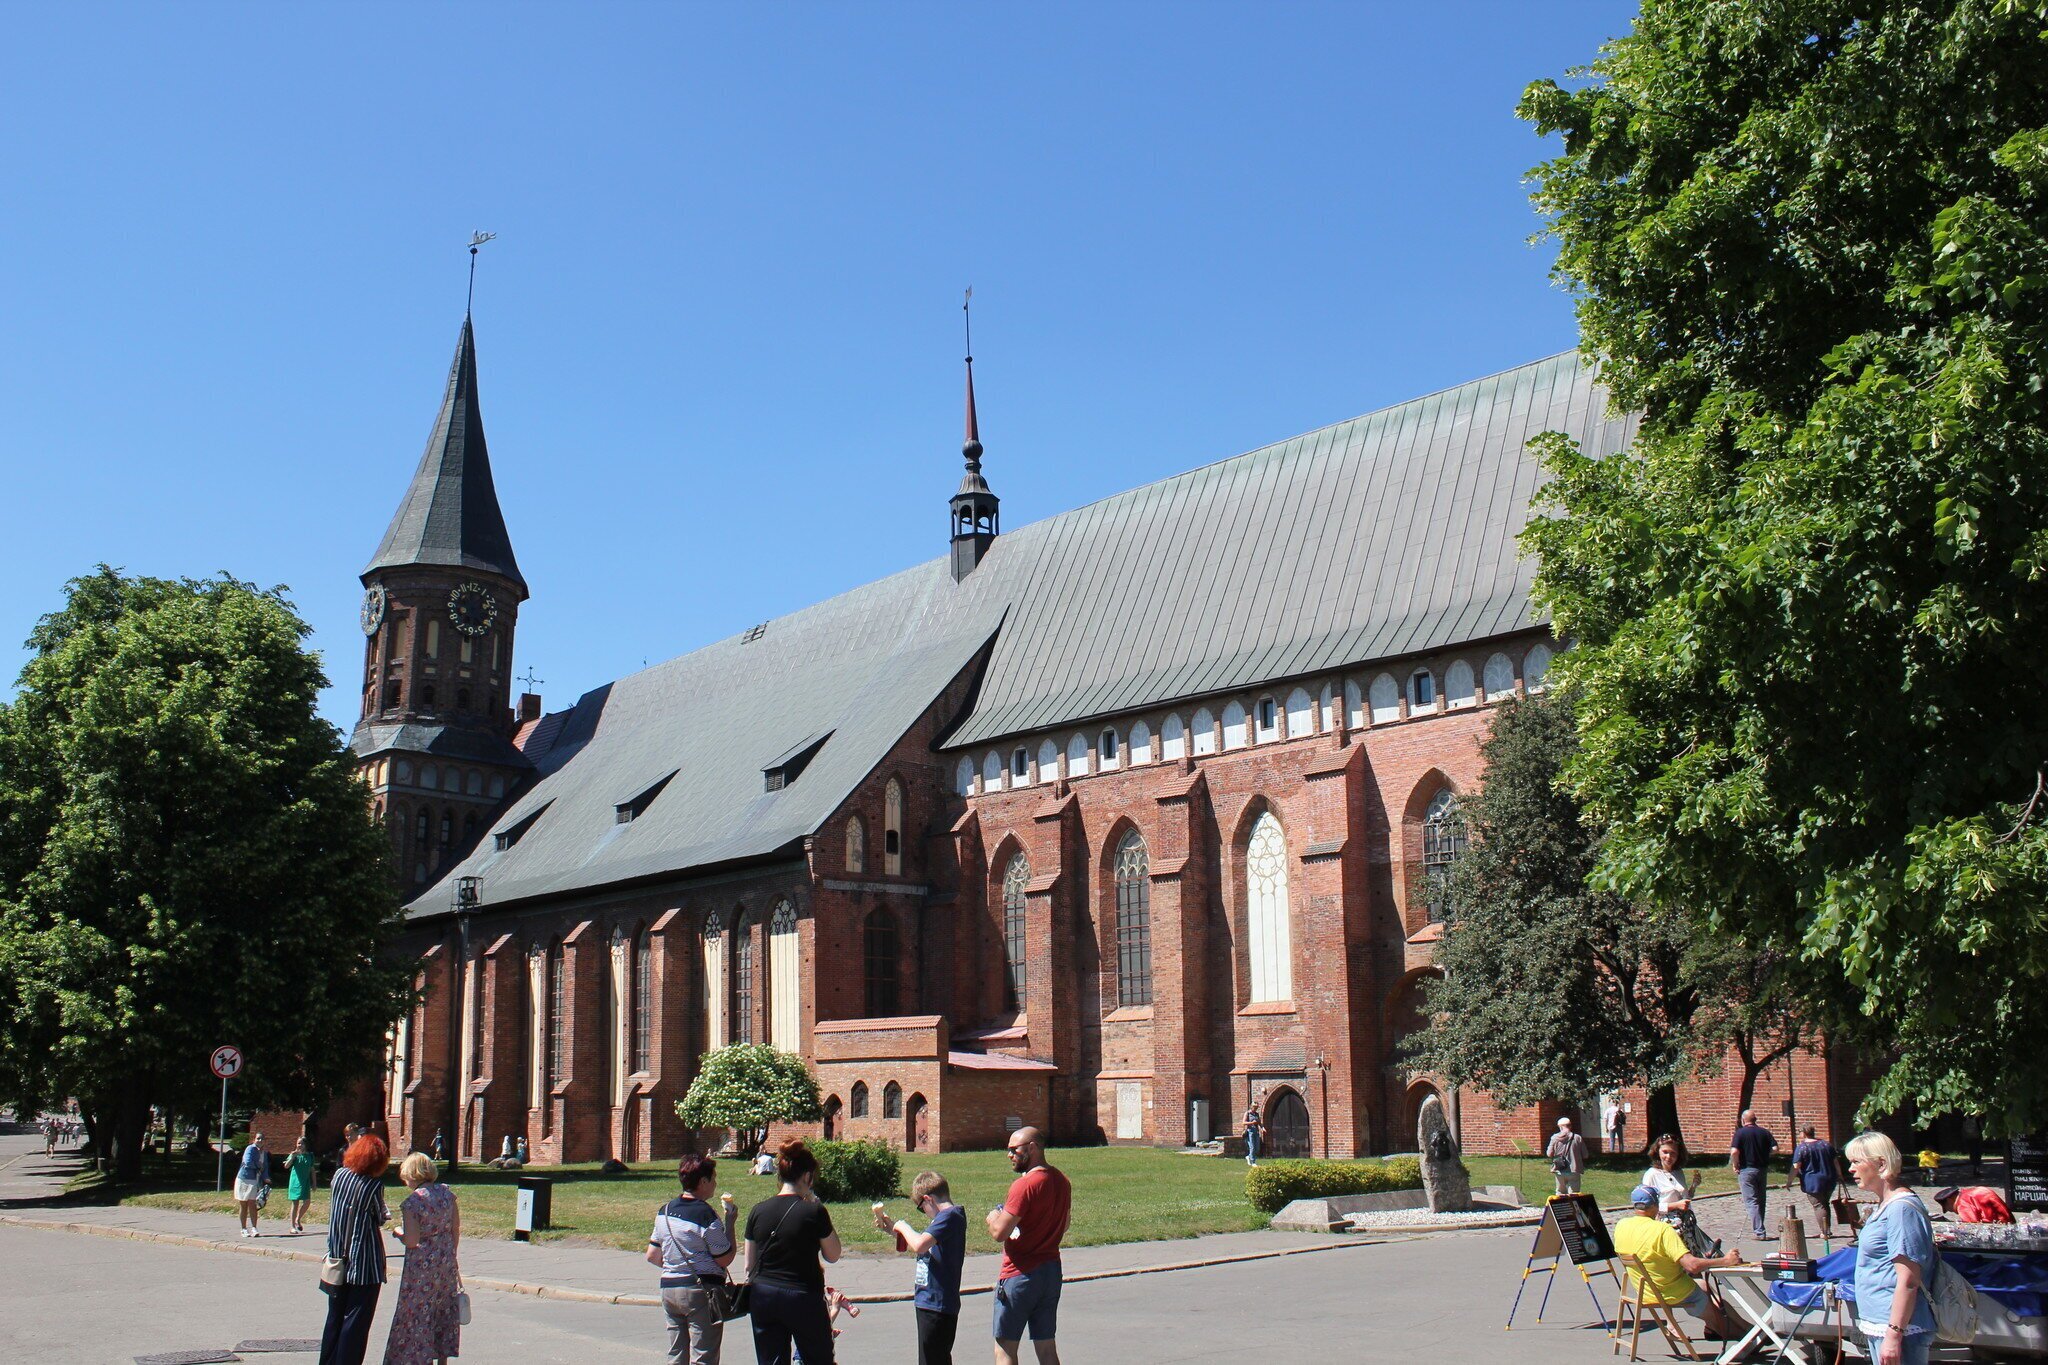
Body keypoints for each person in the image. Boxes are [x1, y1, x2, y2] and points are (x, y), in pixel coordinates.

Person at [744, 1138, 842, 1365]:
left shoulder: (758, 1211)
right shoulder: (813, 1210)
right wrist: (816, 1205)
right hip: (802, 1296)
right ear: (807, 1176)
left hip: (764, 1295)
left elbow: (749, 1266)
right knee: (818, 1359)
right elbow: (833, 1254)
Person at [1845, 1131, 1936, 1365]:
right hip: (1881, 1322)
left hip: (1900, 1327)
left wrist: (1894, 1335)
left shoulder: (1901, 1208)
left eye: (1856, 1162)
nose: (1850, 1169)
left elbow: (1908, 1279)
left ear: (1881, 1163)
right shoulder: (1886, 1205)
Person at [987, 1126, 1070, 1365]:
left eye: (1014, 1149)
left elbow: (999, 1233)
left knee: (1005, 1348)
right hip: (1050, 1271)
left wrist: (994, 1217)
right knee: (1046, 1348)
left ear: (1032, 1148)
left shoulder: (1024, 1186)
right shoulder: (1061, 1181)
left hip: (1019, 1274)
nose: (1009, 1155)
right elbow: (1065, 1224)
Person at [1613, 1183, 1742, 1335]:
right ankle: (1742, 1335)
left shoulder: (1621, 1226)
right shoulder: (1662, 1230)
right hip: (1671, 1291)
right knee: (1718, 1311)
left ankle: (1749, 1329)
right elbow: (1692, 1266)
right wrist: (1725, 1261)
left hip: (1646, 1290)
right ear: (1655, 1205)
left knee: (1704, 1286)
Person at [647, 1154, 738, 1365]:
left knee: (676, 1354)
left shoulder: (665, 1210)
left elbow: (652, 1255)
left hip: (669, 1288)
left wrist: (675, 1264)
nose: (715, 1183)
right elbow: (724, 1258)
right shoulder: (705, 1215)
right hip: (700, 1291)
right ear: (703, 1182)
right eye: (713, 1178)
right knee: (704, 1355)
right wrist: (730, 1223)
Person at [873, 1171, 966, 1365]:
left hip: (938, 1303)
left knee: (933, 1360)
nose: (923, 1212)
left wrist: (903, 1225)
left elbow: (919, 1245)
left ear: (928, 1199)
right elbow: (920, 1245)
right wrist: (892, 1229)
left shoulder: (951, 1216)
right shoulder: (944, 1218)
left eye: (921, 1207)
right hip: (928, 1301)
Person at [320, 1134, 392, 1365]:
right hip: (365, 1262)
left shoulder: (339, 1176)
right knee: (356, 1322)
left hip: (337, 1256)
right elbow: (380, 1216)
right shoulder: (373, 1185)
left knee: (335, 1317)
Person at [383, 1152, 461, 1365]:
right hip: (445, 1262)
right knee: (442, 1310)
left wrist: (398, 1232)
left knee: (417, 1313)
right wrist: (450, 1253)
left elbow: (411, 1240)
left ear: (412, 1174)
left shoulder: (413, 1202)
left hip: (421, 1267)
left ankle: (417, 1358)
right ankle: (442, 1359)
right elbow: (455, 1228)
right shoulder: (447, 1194)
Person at [1641, 1133, 1719, 1256]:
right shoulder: (1651, 1174)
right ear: (1658, 1152)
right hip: (1667, 1223)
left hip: (1685, 1221)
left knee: (1694, 1256)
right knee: (1683, 1258)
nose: (1668, 1157)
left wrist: (1694, 1186)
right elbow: (1647, 1207)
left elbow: (1685, 1198)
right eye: (1665, 1152)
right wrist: (1675, 1205)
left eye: (1673, 1153)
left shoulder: (1678, 1172)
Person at [1729, 1109, 1778, 1239]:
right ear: (1755, 1119)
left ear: (1743, 1120)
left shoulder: (1740, 1133)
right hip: (1762, 1169)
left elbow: (1734, 1152)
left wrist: (1735, 1164)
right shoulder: (1764, 1132)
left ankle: (1759, 1231)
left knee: (1751, 1201)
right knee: (1761, 1200)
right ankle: (1760, 1228)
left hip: (1746, 1169)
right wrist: (1765, 1154)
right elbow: (1775, 1148)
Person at [1790, 1126, 1847, 1235]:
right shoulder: (1826, 1145)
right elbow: (1835, 1161)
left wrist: (1790, 1180)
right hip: (1829, 1178)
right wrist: (1840, 1174)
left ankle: (1825, 1231)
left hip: (1812, 1181)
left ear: (1804, 1133)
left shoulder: (1802, 1147)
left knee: (1819, 1205)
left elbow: (1796, 1166)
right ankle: (1827, 1229)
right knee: (1825, 1204)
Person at [234, 1134, 270, 1238]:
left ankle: (254, 1228)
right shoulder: (250, 1149)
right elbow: (247, 1162)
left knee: (252, 1204)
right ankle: (243, 1229)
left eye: (262, 1138)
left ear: (264, 1141)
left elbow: (265, 1167)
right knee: (243, 1204)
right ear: (254, 1139)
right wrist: (258, 1165)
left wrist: (266, 1177)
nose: (260, 1140)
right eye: (258, 1138)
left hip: (255, 1180)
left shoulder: (264, 1153)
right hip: (244, 1179)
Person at [1545, 1116, 1587, 1197]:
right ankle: (1573, 1209)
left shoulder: (1554, 1138)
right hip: (1574, 1169)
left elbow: (1549, 1153)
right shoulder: (1577, 1138)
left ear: (1560, 1127)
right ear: (1570, 1126)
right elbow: (1585, 1155)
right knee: (1574, 1194)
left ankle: (1562, 1209)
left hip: (1560, 1169)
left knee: (1560, 1193)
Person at [285, 1137, 319, 1236]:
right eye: (298, 1143)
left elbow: (312, 1170)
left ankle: (298, 1219)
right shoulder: (294, 1155)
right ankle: (292, 1226)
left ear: (305, 1145)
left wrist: (314, 1183)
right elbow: (286, 1166)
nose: (300, 1145)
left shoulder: (309, 1156)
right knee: (295, 1203)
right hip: (295, 1182)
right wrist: (292, 1157)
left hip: (305, 1182)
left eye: (302, 1143)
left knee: (307, 1202)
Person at [1934, 1183, 2014, 1224]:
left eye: (1948, 1208)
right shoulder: (1970, 1192)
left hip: (1997, 1229)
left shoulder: (1962, 1203)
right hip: (2008, 1222)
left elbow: (1971, 1227)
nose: (1955, 1212)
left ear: (1949, 1200)